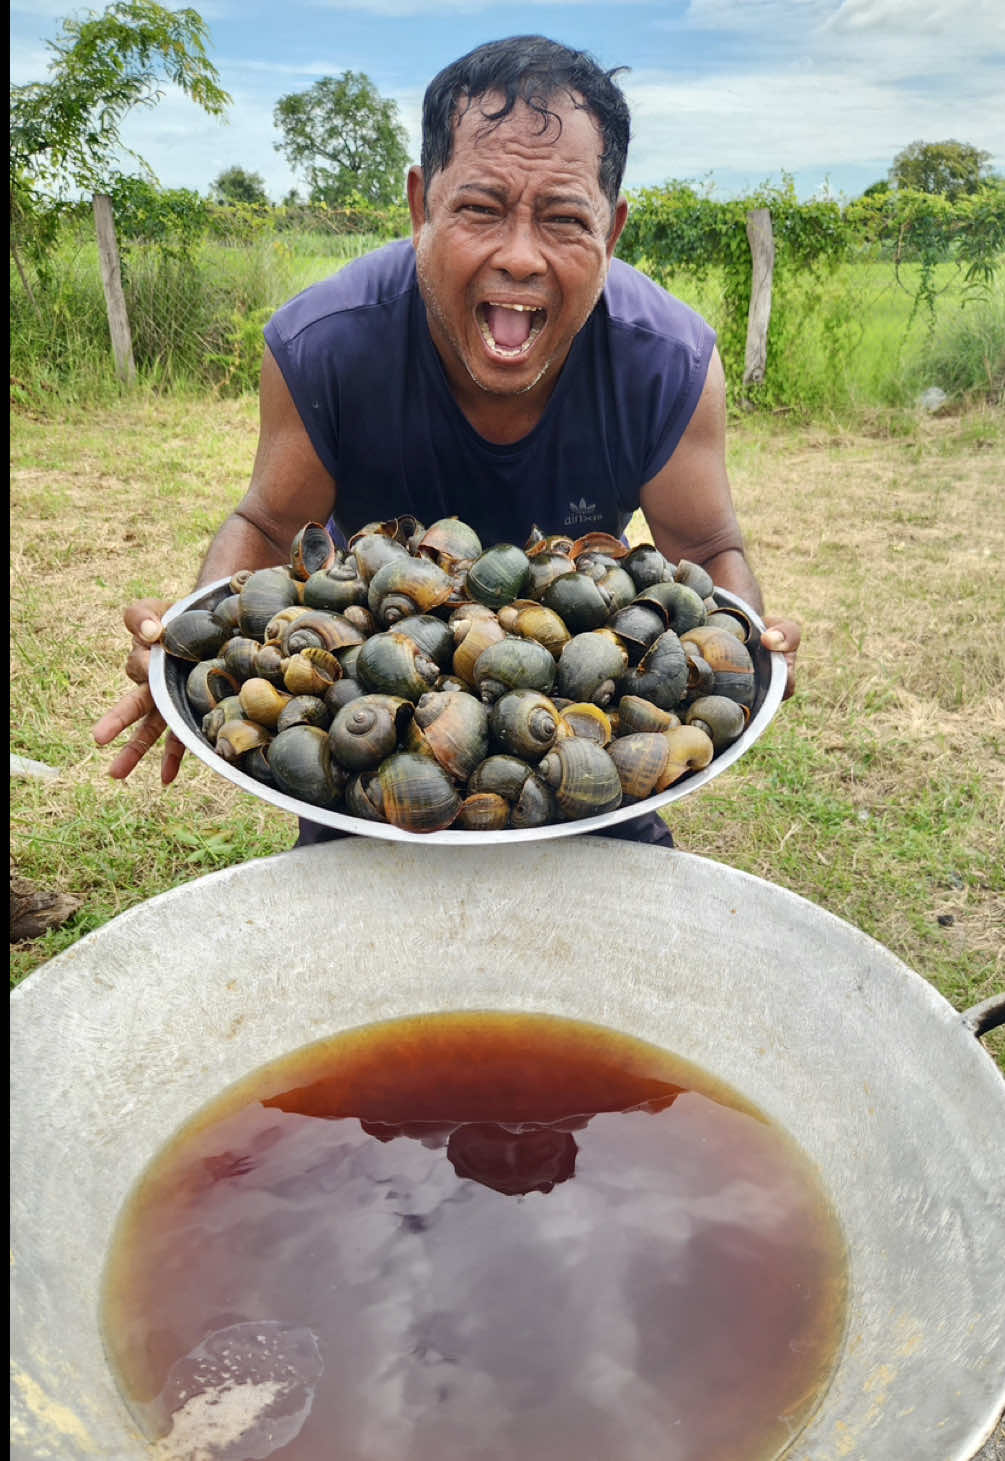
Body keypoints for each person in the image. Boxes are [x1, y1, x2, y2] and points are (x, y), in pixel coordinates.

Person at [92, 34, 801, 847]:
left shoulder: (664, 360)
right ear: (420, 204)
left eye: (565, 218)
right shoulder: (325, 344)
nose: (520, 254)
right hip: (378, 759)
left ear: (611, 233)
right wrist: (195, 646)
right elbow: (263, 525)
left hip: (580, 753)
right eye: (480, 208)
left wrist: (746, 643)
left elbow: (708, 546)